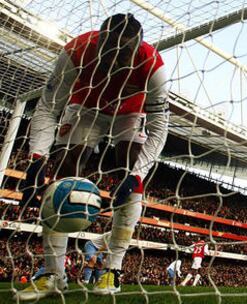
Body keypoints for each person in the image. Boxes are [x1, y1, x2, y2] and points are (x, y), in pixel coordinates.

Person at [17, 13, 169, 301]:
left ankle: (113, 268)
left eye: (124, 55)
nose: (114, 61)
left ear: (138, 48)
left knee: (131, 170)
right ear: (99, 42)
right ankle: (53, 273)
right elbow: (49, 107)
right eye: (109, 52)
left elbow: (160, 125)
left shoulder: (152, 66)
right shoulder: (75, 52)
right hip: (85, 107)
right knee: (63, 168)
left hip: (130, 113)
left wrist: (138, 174)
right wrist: (36, 158)